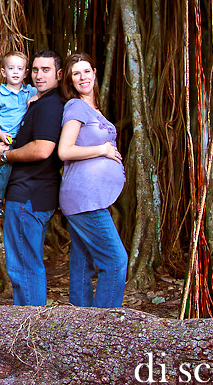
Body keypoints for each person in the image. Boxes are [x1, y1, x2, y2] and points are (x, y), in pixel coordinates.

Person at [0, 50, 64, 306]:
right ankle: (31, 329)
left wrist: (6, 155)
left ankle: (29, 334)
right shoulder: (38, 101)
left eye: (46, 70)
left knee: (24, 268)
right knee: (26, 264)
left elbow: (43, 149)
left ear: (59, 74)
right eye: (35, 70)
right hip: (33, 196)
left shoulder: (50, 106)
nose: (39, 75)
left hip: (28, 198)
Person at [57, 52, 127, 308]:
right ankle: (104, 326)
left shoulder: (92, 108)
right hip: (84, 200)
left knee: (82, 261)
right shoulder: (76, 106)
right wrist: (103, 150)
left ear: (95, 73)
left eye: (86, 71)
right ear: (70, 80)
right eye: (76, 73)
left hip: (89, 198)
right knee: (116, 261)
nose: (82, 77)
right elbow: (65, 150)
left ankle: (80, 324)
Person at [0, 52, 38, 222]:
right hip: (2, 135)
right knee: (10, 161)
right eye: (11, 68)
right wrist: (1, 135)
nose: (15, 72)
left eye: (19, 69)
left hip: (19, 138)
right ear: (3, 72)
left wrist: (36, 96)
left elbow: (47, 93)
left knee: (16, 165)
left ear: (26, 73)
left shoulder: (30, 91)